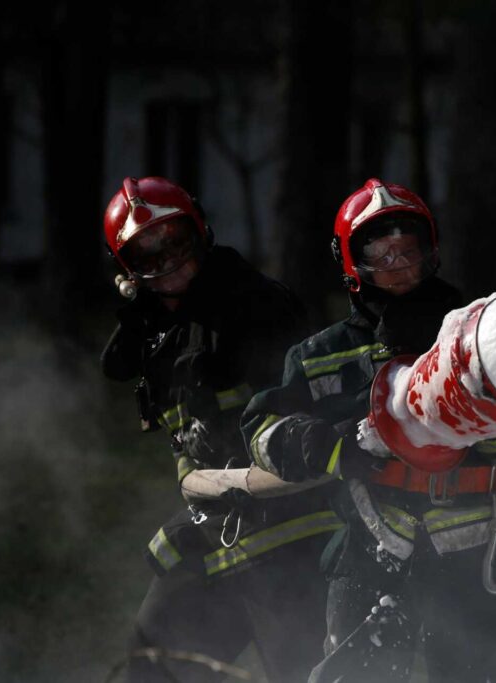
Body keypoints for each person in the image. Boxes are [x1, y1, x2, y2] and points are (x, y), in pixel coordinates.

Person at [240, 178, 496, 682]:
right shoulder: (318, 355)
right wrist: (322, 444)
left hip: (479, 555)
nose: (399, 265)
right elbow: (260, 429)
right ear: (351, 261)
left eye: (408, 251)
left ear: (430, 253)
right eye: (381, 255)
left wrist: (472, 423)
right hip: (370, 551)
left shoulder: (476, 334)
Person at [101, 176, 337, 682]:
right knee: (150, 668)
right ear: (127, 271)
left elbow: (302, 424)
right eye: (146, 256)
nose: (166, 263)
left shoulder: (255, 306)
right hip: (214, 534)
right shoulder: (160, 330)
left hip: (291, 538)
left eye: (174, 243)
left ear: (201, 232)